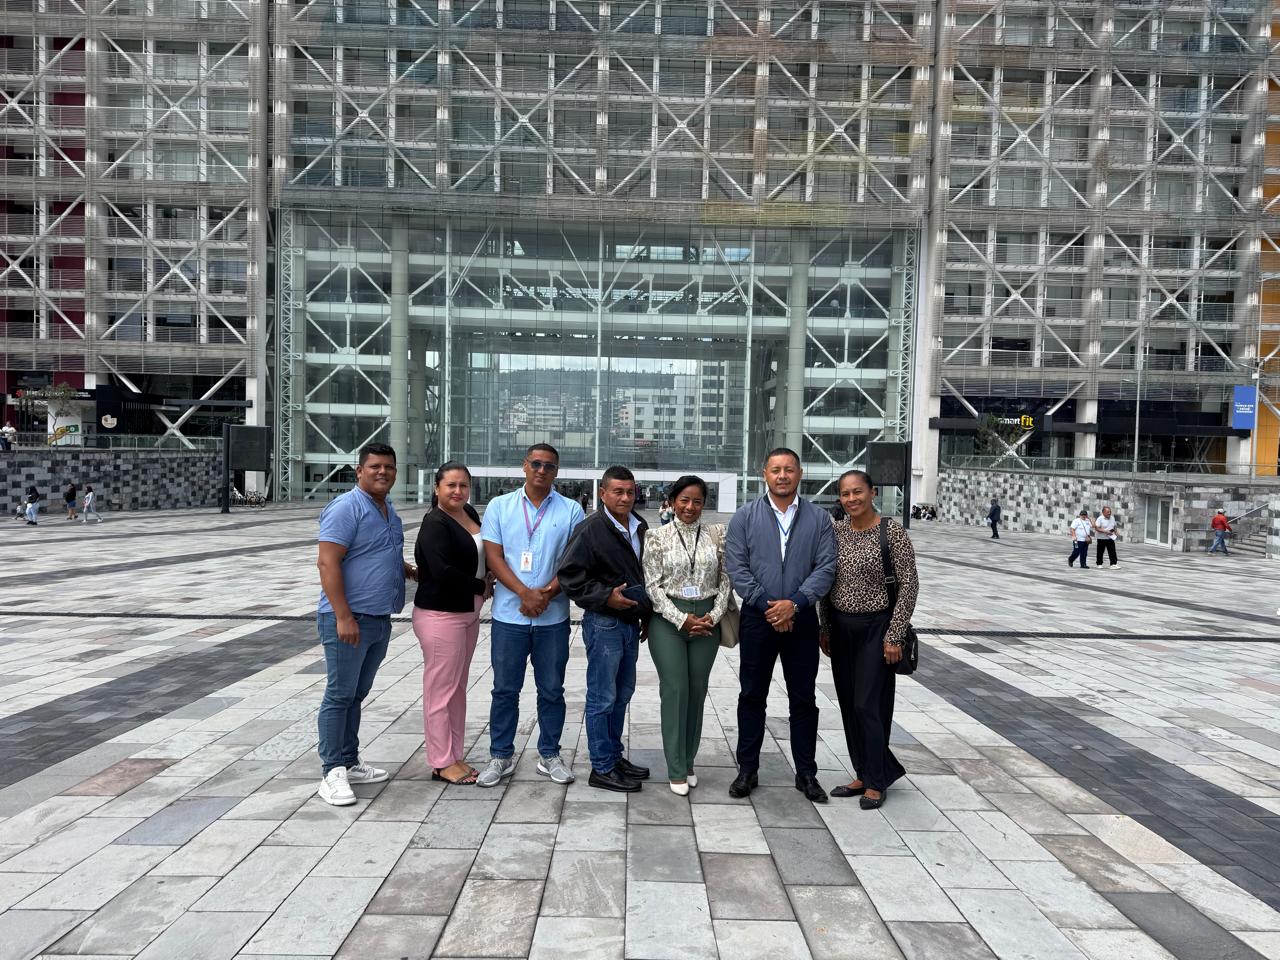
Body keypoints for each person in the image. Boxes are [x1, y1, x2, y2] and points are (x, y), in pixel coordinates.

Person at [725, 448, 837, 803]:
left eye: (789, 469)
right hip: (758, 618)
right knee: (751, 695)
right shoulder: (744, 517)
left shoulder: (819, 519)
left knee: (803, 698)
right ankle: (747, 769)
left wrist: (796, 604)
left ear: (799, 474)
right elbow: (737, 566)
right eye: (776, 470)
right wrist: (768, 605)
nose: (783, 476)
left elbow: (826, 567)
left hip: (801, 619)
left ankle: (806, 773)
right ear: (765, 474)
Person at [477, 443, 585, 788]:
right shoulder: (500, 506)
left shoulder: (571, 510)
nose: (541, 470)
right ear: (524, 466)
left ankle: (550, 754)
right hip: (509, 616)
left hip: (553, 617)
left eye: (549, 466)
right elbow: (494, 557)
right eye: (536, 464)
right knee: (504, 690)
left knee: (551, 689)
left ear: (556, 472)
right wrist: (524, 593)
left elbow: (573, 562)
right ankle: (500, 755)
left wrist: (545, 594)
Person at [314, 442, 416, 806]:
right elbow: (327, 562)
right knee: (340, 694)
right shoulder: (346, 508)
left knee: (356, 694)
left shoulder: (388, 510)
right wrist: (343, 616)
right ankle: (331, 771)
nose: (382, 472)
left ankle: (349, 759)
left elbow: (378, 553)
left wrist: (408, 570)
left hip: (379, 618)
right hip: (349, 618)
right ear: (359, 471)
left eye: (389, 466)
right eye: (375, 466)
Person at [820, 470, 918, 810]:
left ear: (872, 492)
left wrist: (895, 634)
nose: (852, 499)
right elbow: (826, 582)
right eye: (845, 494)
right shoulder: (836, 532)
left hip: (878, 629)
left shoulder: (891, 531)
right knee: (849, 704)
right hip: (841, 627)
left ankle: (877, 780)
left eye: (857, 492)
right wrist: (825, 627)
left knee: (868, 704)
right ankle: (864, 772)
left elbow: (909, 585)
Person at [558, 465, 654, 793]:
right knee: (602, 697)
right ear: (602, 494)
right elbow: (569, 575)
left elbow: (642, 574)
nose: (625, 498)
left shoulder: (639, 526)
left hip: (629, 622)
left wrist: (646, 613)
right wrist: (605, 597)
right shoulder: (591, 529)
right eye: (618, 491)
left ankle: (614, 755)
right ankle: (601, 766)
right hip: (604, 623)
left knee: (623, 693)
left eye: (630, 492)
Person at [643, 475, 731, 795]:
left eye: (697, 501)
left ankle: (689, 759)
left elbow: (726, 580)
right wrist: (682, 619)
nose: (690, 507)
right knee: (676, 689)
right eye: (684, 500)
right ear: (672, 501)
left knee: (697, 690)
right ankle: (676, 767)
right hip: (669, 621)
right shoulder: (656, 536)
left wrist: (713, 616)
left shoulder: (716, 535)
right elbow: (652, 587)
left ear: (704, 504)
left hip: (706, 620)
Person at [413, 461, 491, 785]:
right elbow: (441, 570)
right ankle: (441, 761)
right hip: (441, 614)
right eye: (451, 485)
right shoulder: (435, 523)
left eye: (463, 485)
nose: (458, 491)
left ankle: (453, 754)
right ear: (437, 488)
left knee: (457, 688)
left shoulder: (468, 513)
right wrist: (481, 586)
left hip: (467, 611)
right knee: (440, 692)